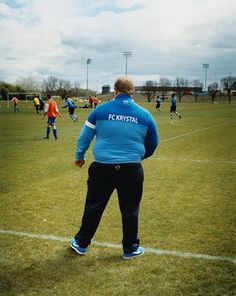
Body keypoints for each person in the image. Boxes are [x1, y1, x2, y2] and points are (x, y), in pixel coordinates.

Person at [70, 77, 158, 259]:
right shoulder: (145, 114)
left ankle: (81, 244)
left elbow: (84, 137)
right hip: (132, 169)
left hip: (102, 167)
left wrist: (79, 156)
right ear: (132, 92)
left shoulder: (100, 110)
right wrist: (140, 157)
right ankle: (130, 249)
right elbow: (153, 143)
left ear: (115, 91)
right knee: (130, 209)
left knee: (93, 206)